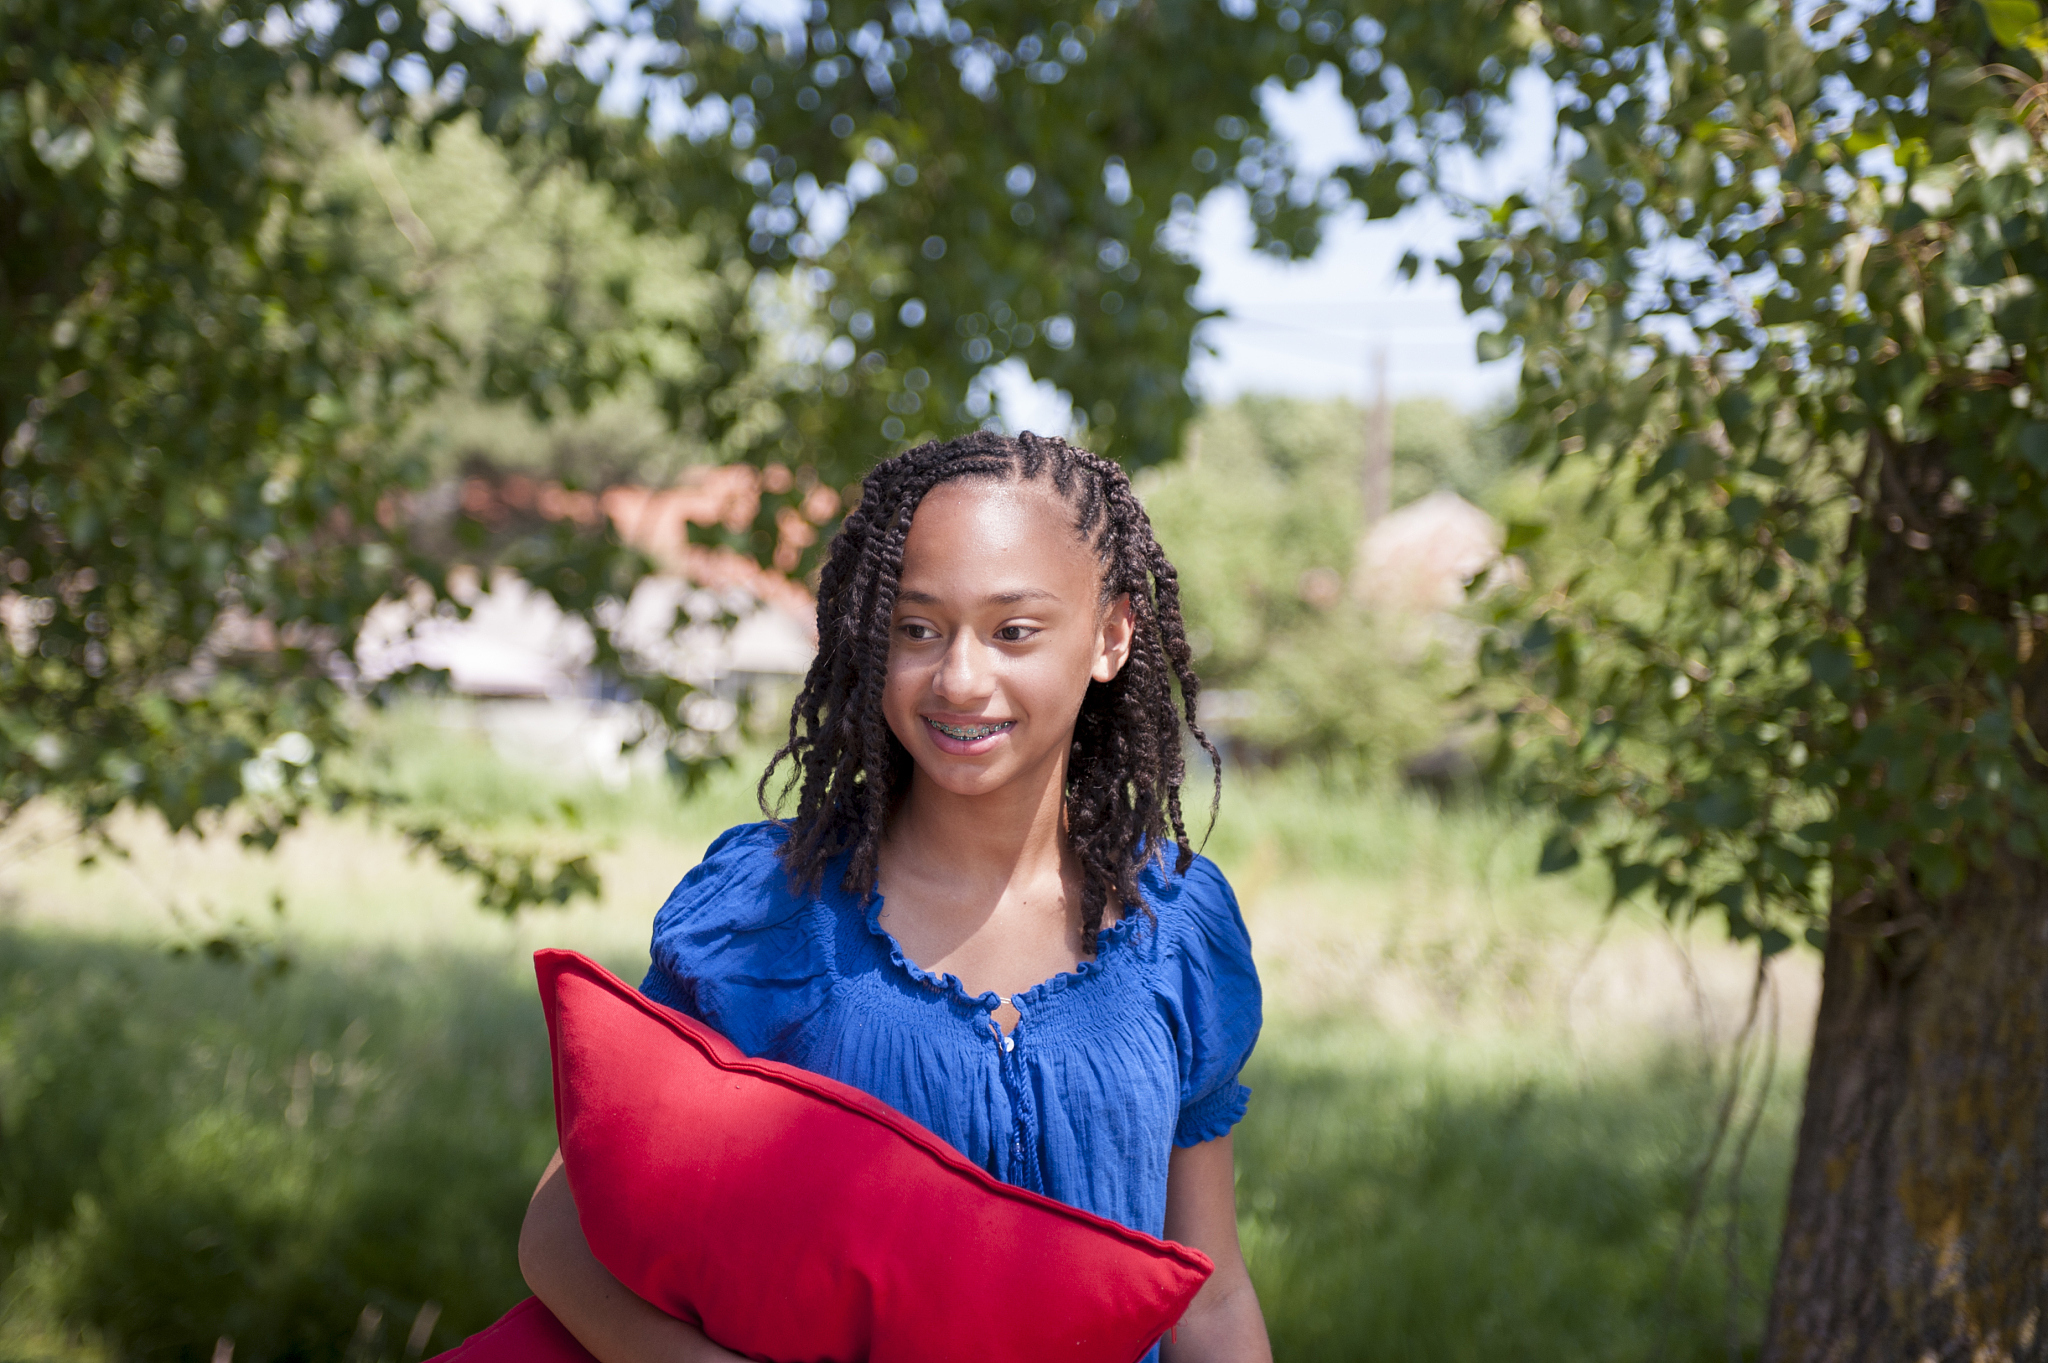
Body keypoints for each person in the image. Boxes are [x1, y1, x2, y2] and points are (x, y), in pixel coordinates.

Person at [518, 431, 1270, 1362]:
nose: (959, 676)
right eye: (917, 628)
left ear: (1111, 635)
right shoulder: (771, 912)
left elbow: (1211, 1295)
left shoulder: (1177, 927)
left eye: (1013, 630)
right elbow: (562, 1227)